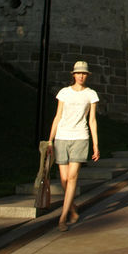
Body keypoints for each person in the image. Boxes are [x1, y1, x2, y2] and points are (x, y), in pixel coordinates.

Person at [48, 60, 100, 232]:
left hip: (80, 137)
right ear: (73, 75)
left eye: (84, 73)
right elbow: (57, 116)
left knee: (72, 178)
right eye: (78, 73)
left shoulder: (91, 94)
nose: (81, 76)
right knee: (63, 179)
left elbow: (92, 120)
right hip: (62, 137)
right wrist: (50, 140)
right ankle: (72, 207)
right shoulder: (64, 93)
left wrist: (96, 145)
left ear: (87, 76)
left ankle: (63, 218)